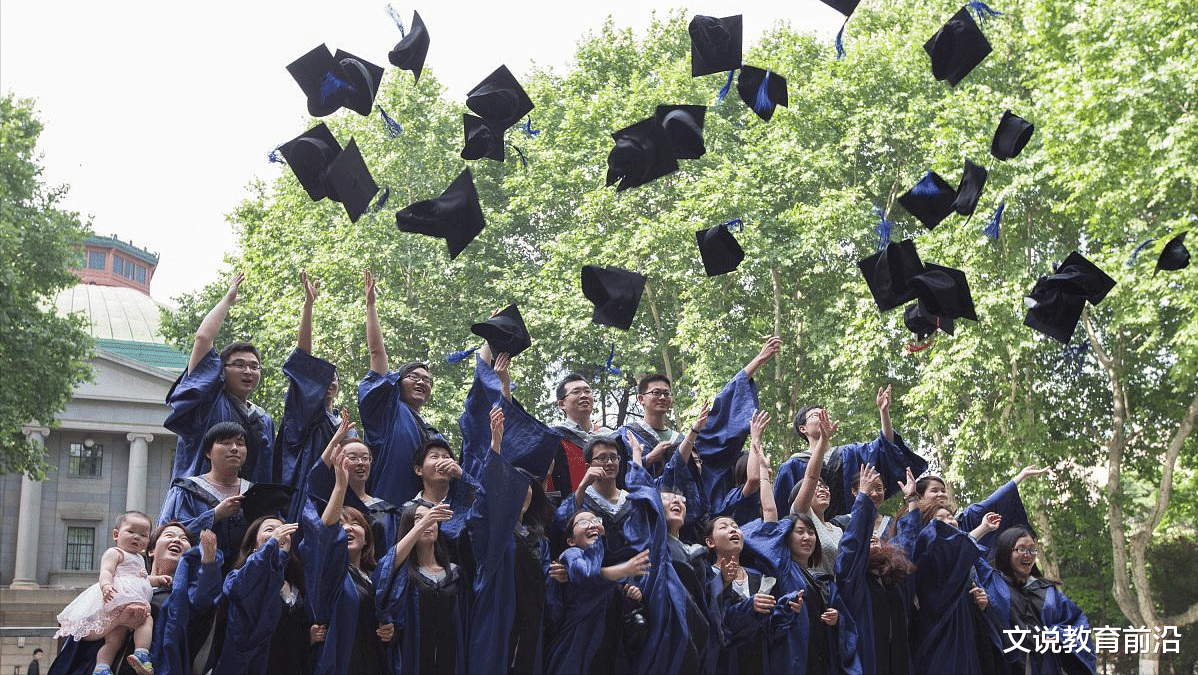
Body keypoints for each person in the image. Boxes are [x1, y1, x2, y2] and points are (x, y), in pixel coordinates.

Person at [618, 337, 780, 506]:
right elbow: (618, 475)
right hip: (645, 512)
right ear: (641, 399)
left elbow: (722, 410)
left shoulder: (683, 441)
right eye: (656, 393)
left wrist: (759, 360)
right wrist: (650, 458)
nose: (662, 398)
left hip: (682, 513)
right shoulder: (627, 435)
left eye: (667, 394)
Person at [465, 406, 553, 675]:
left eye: (526, 487)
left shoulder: (539, 541)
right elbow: (482, 505)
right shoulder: (493, 535)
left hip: (531, 627)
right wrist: (496, 444)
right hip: (498, 623)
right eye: (513, 485)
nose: (521, 492)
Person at [165, 272, 275, 484]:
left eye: (255, 366)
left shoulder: (263, 420)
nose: (248, 372)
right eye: (239, 365)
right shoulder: (207, 401)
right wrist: (227, 300)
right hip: (199, 503)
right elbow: (203, 338)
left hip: (246, 506)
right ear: (221, 371)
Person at [302, 440, 392, 675]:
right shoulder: (330, 573)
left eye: (356, 524)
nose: (349, 529)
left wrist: (390, 627)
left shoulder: (375, 577)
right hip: (340, 660)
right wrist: (340, 487)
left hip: (372, 660)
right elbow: (323, 534)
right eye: (342, 525)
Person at [773, 385, 926, 521]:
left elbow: (886, 448)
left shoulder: (850, 454)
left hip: (850, 531)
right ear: (803, 429)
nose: (823, 417)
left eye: (825, 414)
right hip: (810, 539)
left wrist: (883, 412)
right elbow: (782, 514)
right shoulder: (792, 466)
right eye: (815, 415)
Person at [358, 269, 443, 506]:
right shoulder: (388, 412)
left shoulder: (433, 433)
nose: (421, 382)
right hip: (388, 512)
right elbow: (377, 354)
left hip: (425, 517)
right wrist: (371, 306)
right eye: (413, 377)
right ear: (396, 384)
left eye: (427, 380)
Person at [54, 511, 168, 675]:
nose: (136, 537)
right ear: (116, 534)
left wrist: (158, 580)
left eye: (143, 535)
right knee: (146, 618)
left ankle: (102, 667)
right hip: (119, 598)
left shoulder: (139, 559)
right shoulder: (115, 553)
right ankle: (142, 653)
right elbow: (106, 571)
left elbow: (141, 580)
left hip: (124, 603)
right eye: (131, 532)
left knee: (114, 640)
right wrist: (106, 585)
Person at [543, 509, 650, 674]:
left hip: (607, 652)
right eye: (584, 522)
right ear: (571, 540)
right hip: (574, 651)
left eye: (596, 520)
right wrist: (622, 570)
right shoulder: (571, 555)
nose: (592, 524)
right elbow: (587, 575)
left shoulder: (609, 560)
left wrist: (631, 596)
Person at [835, 464, 917, 675]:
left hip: (896, 651)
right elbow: (852, 546)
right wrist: (863, 498)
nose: (874, 539)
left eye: (879, 488)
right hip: (868, 652)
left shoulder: (893, 580)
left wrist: (912, 501)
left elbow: (907, 543)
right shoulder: (854, 580)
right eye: (867, 540)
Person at [980, 527, 1096, 675]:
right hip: (1005, 665)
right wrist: (984, 527)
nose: (1028, 555)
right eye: (1021, 549)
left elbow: (1076, 625)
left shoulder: (1047, 590)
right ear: (1006, 551)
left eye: (1032, 550)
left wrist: (1058, 636)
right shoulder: (992, 582)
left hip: (1044, 666)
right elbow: (964, 552)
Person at [375, 502, 467, 674]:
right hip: (415, 660)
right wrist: (425, 522)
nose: (427, 521)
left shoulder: (455, 574)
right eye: (418, 518)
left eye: (431, 518)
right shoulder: (402, 575)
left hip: (449, 660)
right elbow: (385, 568)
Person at [277, 270, 340, 520]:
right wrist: (308, 306)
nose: (330, 382)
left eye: (334, 378)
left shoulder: (341, 423)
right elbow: (303, 362)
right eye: (325, 378)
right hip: (306, 500)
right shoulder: (306, 417)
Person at [211, 516, 306, 675]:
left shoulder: (297, 582)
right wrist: (271, 544)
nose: (279, 533)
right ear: (254, 543)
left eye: (283, 530)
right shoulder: (236, 577)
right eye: (270, 530)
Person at [158, 422, 253, 569]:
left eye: (240, 444)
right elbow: (166, 534)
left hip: (243, 578)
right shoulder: (185, 490)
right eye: (226, 443)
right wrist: (214, 515)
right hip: (195, 577)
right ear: (208, 452)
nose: (234, 448)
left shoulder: (255, 493)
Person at [308, 410, 402, 550]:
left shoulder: (386, 510)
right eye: (352, 458)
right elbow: (315, 478)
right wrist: (336, 439)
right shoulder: (329, 501)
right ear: (337, 461)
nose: (360, 463)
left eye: (365, 458)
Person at [914, 466, 1051, 549]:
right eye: (934, 491)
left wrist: (1020, 476)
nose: (941, 494)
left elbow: (991, 502)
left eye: (943, 491)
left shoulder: (963, 520)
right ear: (920, 497)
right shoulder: (911, 525)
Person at [548, 372, 611, 494]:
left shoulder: (609, 435)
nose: (584, 395)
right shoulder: (553, 437)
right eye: (576, 392)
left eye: (587, 391)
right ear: (562, 404)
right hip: (570, 508)